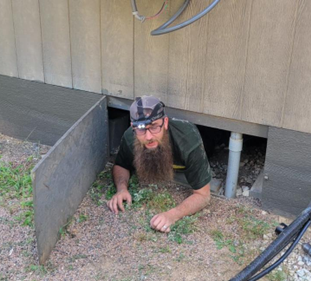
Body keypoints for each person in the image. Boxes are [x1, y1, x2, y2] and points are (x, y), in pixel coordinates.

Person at [107, 96, 212, 233]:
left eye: (155, 127)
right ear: (133, 128)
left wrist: (172, 215)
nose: (149, 136)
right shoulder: (130, 137)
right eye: (141, 129)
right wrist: (121, 189)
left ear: (165, 122)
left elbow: (203, 195)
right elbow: (121, 165)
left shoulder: (188, 138)